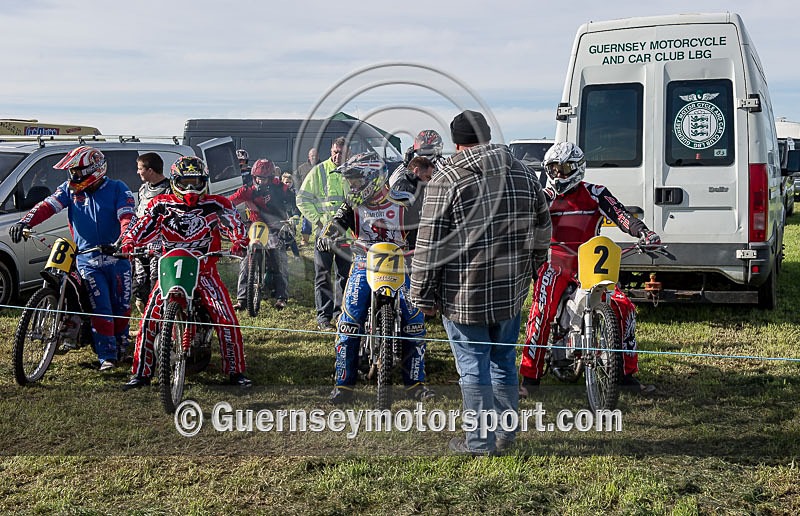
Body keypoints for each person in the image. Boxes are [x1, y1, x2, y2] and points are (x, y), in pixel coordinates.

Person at [410, 110, 552, 455]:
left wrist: (421, 297)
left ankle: (479, 444)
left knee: (474, 367)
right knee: (503, 362)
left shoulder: (446, 180)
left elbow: (429, 246)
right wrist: (531, 270)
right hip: (510, 292)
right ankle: (505, 437)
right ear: (487, 136)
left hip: (464, 296)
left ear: (457, 143)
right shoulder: (523, 173)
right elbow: (542, 230)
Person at [519, 142, 660, 397]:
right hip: (556, 262)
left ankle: (626, 375)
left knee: (624, 306)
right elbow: (526, 223)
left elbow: (622, 215)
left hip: (591, 263)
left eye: (564, 168)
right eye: (554, 168)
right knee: (541, 310)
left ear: (578, 168)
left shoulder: (596, 192)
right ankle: (530, 380)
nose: (559, 174)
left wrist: (644, 233)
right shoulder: (545, 196)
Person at [120, 156, 252, 390]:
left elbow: (234, 223)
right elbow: (141, 225)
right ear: (175, 181)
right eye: (185, 182)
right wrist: (129, 241)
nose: (191, 188)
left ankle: (236, 372)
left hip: (204, 271)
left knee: (226, 318)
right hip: (170, 270)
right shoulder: (160, 203)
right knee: (149, 320)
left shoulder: (217, 203)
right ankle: (140, 374)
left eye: (196, 182)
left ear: (204, 181)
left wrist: (239, 241)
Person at [318, 152, 434, 405]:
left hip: (402, 263)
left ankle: (415, 382)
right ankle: (343, 384)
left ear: (374, 178)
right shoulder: (352, 204)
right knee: (349, 321)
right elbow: (335, 223)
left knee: (414, 321)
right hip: (363, 263)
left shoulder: (406, 202)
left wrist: (429, 244)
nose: (352, 186)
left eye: (356, 180)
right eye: (351, 181)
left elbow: (426, 227)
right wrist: (327, 236)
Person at [9, 145, 136, 371]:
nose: (74, 176)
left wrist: (125, 241)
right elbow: (47, 205)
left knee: (122, 307)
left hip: (118, 257)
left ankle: (123, 346)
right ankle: (107, 356)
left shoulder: (118, 188)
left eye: (78, 171)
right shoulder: (69, 189)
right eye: (72, 172)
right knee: (101, 308)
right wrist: (25, 221)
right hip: (88, 259)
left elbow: (127, 216)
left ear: (94, 169)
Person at [296, 137, 350, 330]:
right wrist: (319, 221)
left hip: (347, 235)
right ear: (330, 151)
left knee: (345, 276)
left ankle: (341, 313)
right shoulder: (318, 171)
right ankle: (324, 317)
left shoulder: (353, 173)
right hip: (325, 234)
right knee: (323, 275)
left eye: (341, 153)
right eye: (335, 151)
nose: (337, 156)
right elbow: (302, 200)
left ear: (348, 153)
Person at [228, 158, 296, 310]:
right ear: (253, 176)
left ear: (271, 178)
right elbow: (229, 202)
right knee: (245, 260)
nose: (260, 180)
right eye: (258, 177)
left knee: (279, 259)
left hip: (276, 226)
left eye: (264, 178)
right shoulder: (247, 190)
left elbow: (294, 201)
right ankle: (242, 299)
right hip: (255, 226)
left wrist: (293, 216)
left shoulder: (281, 188)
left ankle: (281, 297)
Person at [131, 152, 170, 313]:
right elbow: (139, 213)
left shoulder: (170, 189)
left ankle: (162, 326)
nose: (138, 172)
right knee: (140, 289)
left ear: (150, 170)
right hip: (141, 245)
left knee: (157, 284)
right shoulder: (142, 189)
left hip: (160, 245)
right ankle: (146, 323)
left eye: (140, 168)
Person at [294, 148, 319, 246]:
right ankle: (300, 239)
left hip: (318, 198)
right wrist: (298, 189)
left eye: (316, 156)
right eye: (312, 156)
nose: (314, 157)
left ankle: (312, 238)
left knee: (315, 218)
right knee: (302, 218)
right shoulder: (302, 168)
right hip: (304, 197)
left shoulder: (323, 166)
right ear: (308, 157)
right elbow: (295, 178)